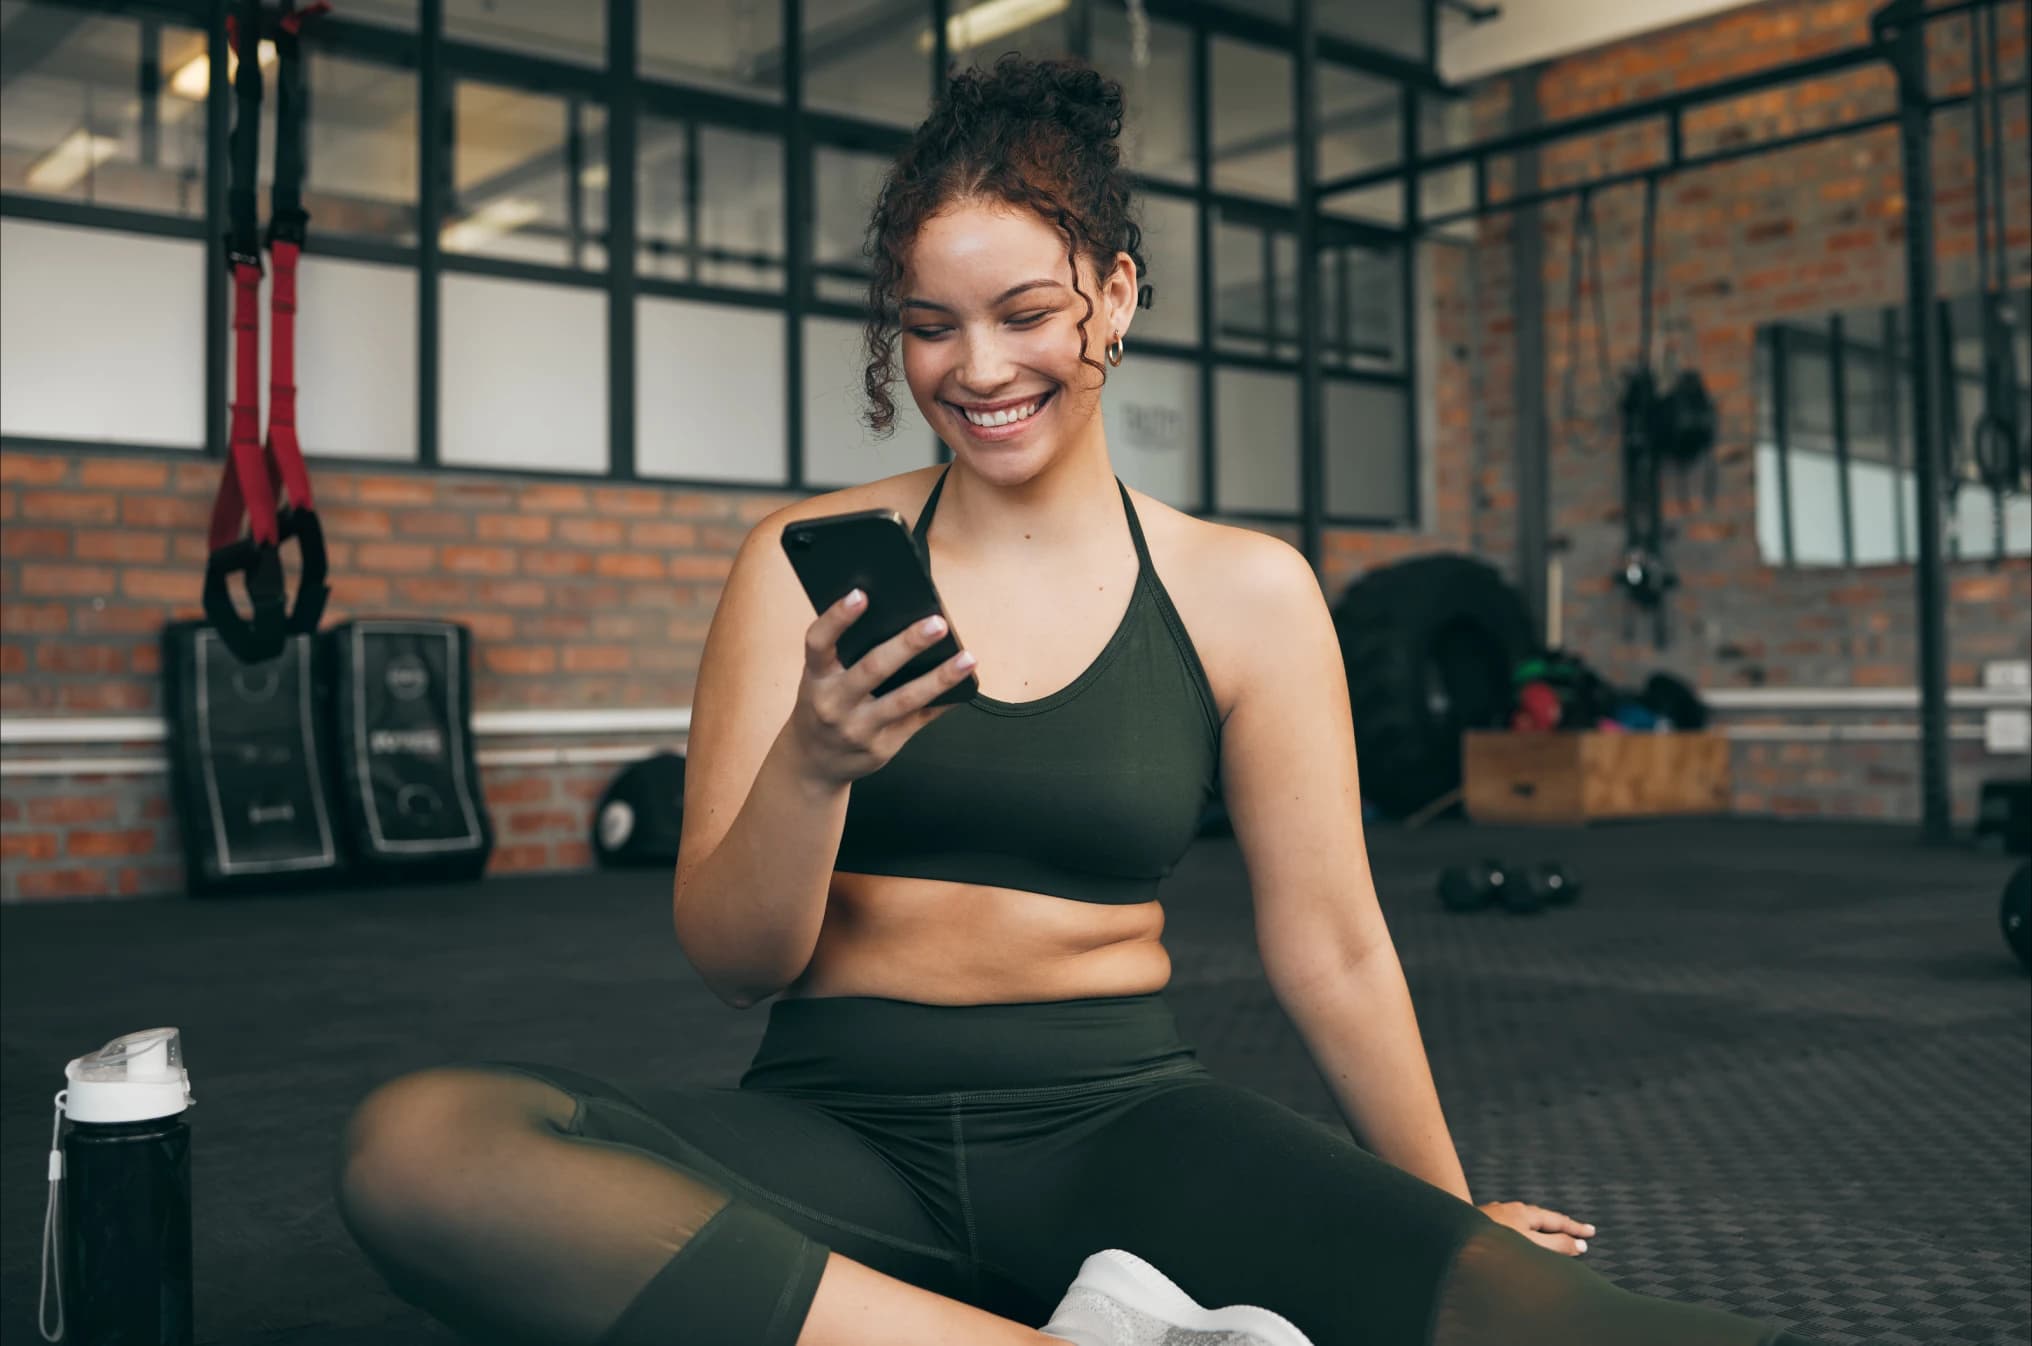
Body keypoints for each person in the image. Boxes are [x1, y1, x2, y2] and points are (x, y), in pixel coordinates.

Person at [331, 56, 1824, 1346]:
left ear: (1114, 296)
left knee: (1562, 1320)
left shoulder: (1246, 592)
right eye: (930, 325)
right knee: (426, 1148)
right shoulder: (797, 567)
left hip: (1126, 1131)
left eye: (1026, 312)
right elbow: (735, 960)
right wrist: (811, 762)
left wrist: (1436, 1216)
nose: (978, 369)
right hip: (832, 1134)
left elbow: (1339, 943)